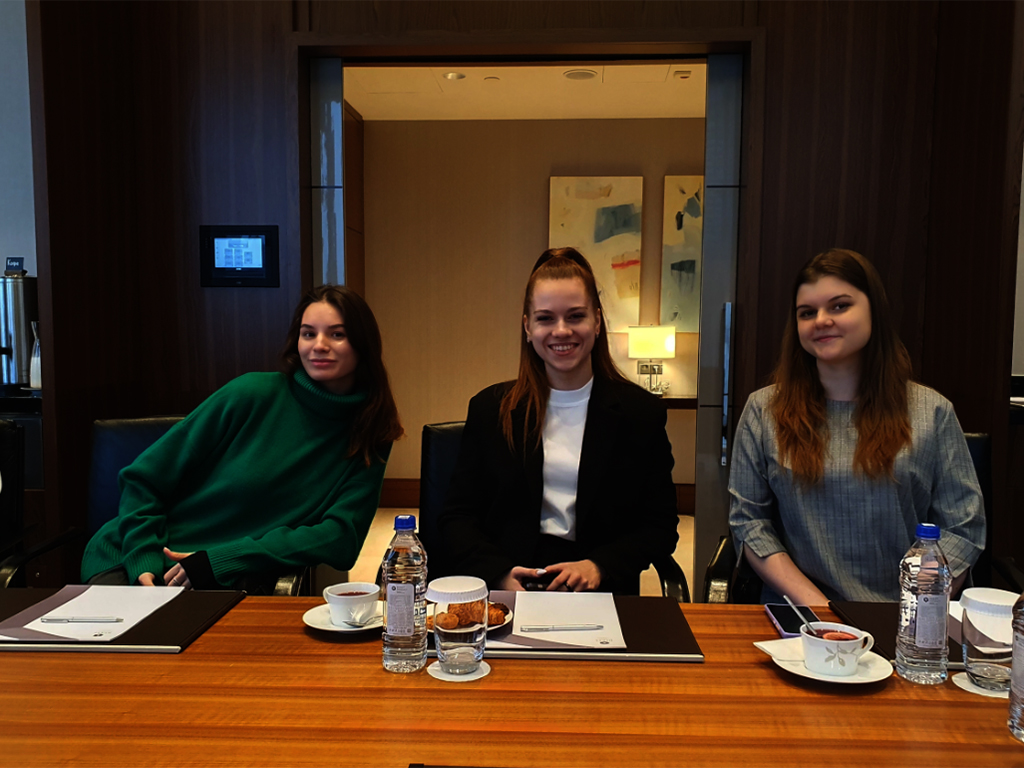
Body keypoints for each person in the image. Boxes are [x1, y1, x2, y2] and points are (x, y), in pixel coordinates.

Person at [81, 285, 403, 591]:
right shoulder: (252, 393)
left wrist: (226, 559)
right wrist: (143, 560)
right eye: (308, 333)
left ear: (363, 345)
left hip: (222, 576)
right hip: (134, 559)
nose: (319, 345)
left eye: (337, 334)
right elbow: (144, 478)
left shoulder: (370, 431)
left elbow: (340, 537)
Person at [728, 248, 985, 604]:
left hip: (903, 614)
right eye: (807, 312)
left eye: (839, 306)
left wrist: (913, 610)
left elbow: (962, 530)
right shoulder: (763, 410)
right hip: (801, 614)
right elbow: (749, 524)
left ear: (873, 311)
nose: (821, 320)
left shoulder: (933, 412)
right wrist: (823, 610)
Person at [438, 247, 679, 595]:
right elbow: (457, 518)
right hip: (510, 589)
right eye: (546, 318)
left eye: (576, 316)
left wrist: (599, 566)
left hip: (599, 592)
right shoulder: (490, 409)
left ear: (597, 321)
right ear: (528, 327)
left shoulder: (641, 413)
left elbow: (660, 526)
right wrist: (499, 575)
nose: (561, 331)